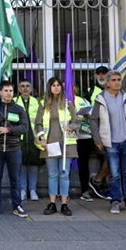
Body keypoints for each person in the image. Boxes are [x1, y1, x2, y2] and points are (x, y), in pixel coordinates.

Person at [89, 70, 126, 214]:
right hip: (111, 141)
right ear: (107, 83)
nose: (117, 82)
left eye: (119, 79)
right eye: (113, 80)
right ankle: (115, 201)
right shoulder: (100, 99)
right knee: (114, 174)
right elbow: (93, 120)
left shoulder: (125, 97)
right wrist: (97, 138)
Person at [0, 80, 29, 218]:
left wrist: (8, 129)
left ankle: (17, 205)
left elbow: (24, 128)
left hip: (14, 148)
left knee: (16, 179)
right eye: (6, 90)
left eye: (11, 91)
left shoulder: (19, 109)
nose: (8, 93)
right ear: (0, 92)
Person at [35, 77, 78, 216]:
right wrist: (41, 138)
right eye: (53, 85)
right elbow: (38, 124)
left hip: (66, 144)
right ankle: (52, 203)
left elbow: (77, 123)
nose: (56, 87)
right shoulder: (43, 104)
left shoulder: (67, 104)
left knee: (64, 174)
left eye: (58, 85)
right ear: (49, 87)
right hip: (50, 144)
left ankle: (64, 203)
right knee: (53, 174)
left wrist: (70, 126)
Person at [84, 65, 111, 200]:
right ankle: (95, 184)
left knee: (109, 160)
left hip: (111, 131)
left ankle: (102, 186)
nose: (101, 76)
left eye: (104, 74)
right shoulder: (90, 91)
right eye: (99, 74)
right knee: (108, 159)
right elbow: (84, 107)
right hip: (95, 131)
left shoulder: (113, 90)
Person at [15, 78, 42, 201]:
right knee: (21, 165)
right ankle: (22, 189)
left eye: (27, 86)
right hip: (19, 138)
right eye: (22, 86)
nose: (25, 88)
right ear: (19, 89)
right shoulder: (15, 102)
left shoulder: (37, 102)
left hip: (34, 137)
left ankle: (33, 190)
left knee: (33, 165)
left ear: (31, 89)